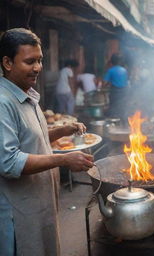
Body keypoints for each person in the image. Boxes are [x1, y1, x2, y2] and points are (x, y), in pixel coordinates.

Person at [0, 28, 94, 256]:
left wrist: (63, 129)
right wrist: (63, 160)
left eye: (40, 60)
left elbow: (33, 137)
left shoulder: (27, 95)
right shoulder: (3, 102)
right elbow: (9, 162)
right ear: (7, 63)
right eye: (30, 61)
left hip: (38, 204)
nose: (38, 68)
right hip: (19, 212)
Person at [103, 53, 128, 122]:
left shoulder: (111, 70)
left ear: (111, 61)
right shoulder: (124, 70)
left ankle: (113, 123)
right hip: (124, 91)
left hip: (115, 91)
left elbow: (104, 82)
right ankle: (123, 122)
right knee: (122, 107)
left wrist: (104, 86)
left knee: (113, 107)